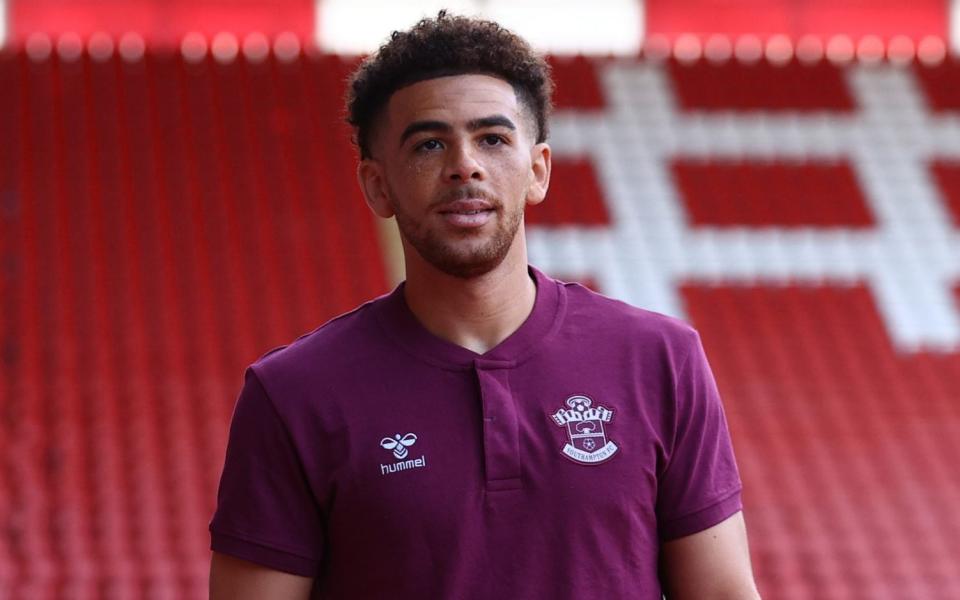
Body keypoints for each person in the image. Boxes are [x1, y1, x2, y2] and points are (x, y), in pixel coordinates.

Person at [209, 12, 760, 600]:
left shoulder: (660, 359)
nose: (463, 165)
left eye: (492, 139)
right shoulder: (294, 394)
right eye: (429, 144)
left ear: (537, 170)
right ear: (378, 186)